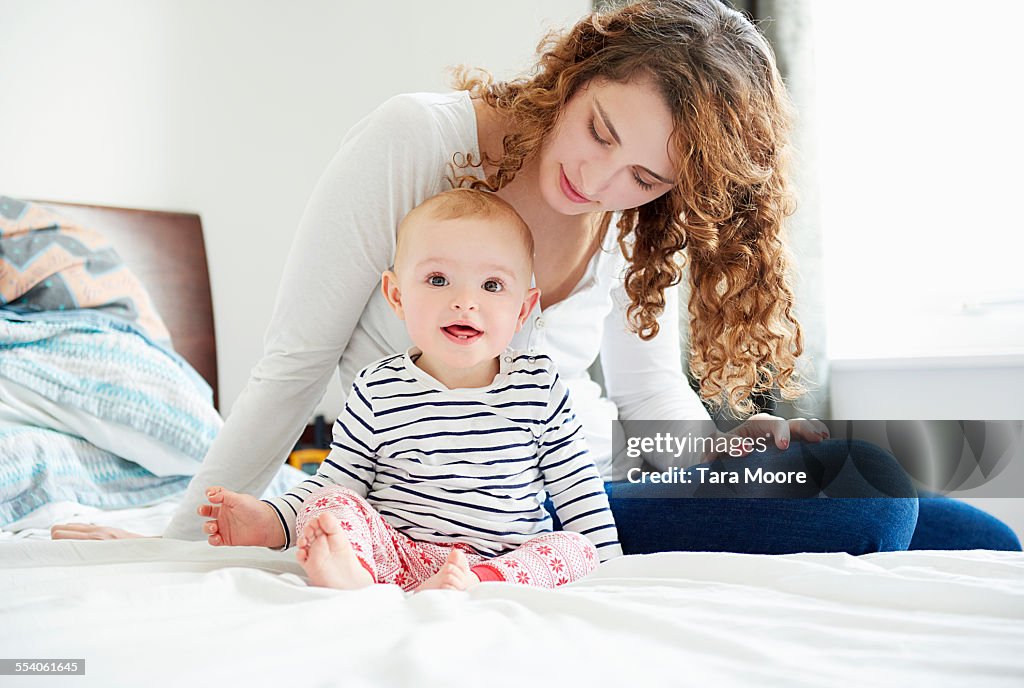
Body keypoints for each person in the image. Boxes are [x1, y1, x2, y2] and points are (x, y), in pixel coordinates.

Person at [53, 0, 1020, 552]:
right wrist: (183, 541)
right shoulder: (418, 141)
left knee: (970, 534)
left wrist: (724, 455)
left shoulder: (634, 216)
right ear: (579, 67)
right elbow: (295, 365)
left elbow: (644, 391)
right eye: (600, 131)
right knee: (880, 496)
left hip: (593, 465)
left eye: (644, 175)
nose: (599, 181)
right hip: (487, 499)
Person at [197, 189, 622, 591]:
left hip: (503, 564)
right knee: (335, 506)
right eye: (438, 280)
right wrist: (273, 520)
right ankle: (355, 576)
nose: (465, 301)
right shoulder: (378, 388)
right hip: (397, 556)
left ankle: (473, 586)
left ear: (523, 309)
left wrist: (614, 576)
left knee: (575, 548)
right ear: (396, 295)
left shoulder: (537, 386)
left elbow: (579, 490)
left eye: (492, 286)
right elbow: (336, 482)